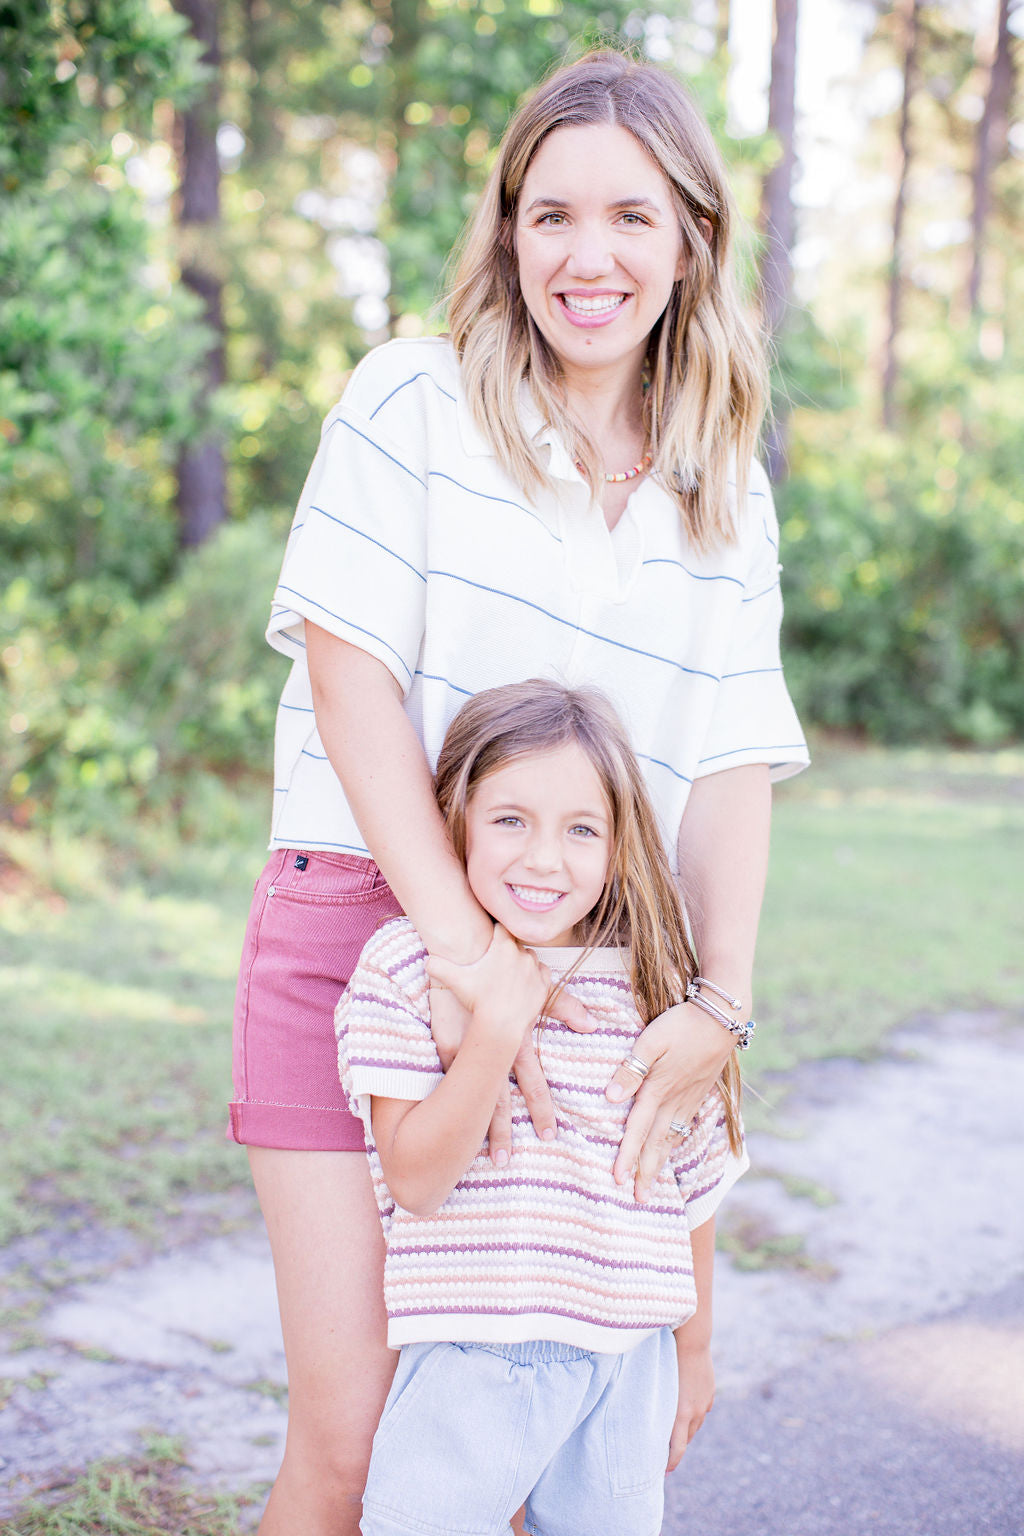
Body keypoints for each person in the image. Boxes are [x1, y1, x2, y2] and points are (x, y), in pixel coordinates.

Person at [230, 46, 808, 1536]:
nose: (586, 256)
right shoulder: (411, 398)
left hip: (598, 956)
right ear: (505, 231)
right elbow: (352, 684)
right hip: (369, 913)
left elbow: (729, 756)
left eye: (629, 217)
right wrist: (463, 956)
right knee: (363, 1438)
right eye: (547, 215)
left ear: (691, 236)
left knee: (522, 1451)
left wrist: (719, 999)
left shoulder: (725, 482)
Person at [337, 679, 751, 1536]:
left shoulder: (653, 990)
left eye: (581, 830)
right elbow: (413, 1180)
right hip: (471, 1356)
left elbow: (691, 1193)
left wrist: (694, 1348)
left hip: (629, 1361)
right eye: (510, 820)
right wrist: (497, 1026)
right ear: (454, 815)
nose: (543, 860)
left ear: (617, 843)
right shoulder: (407, 968)